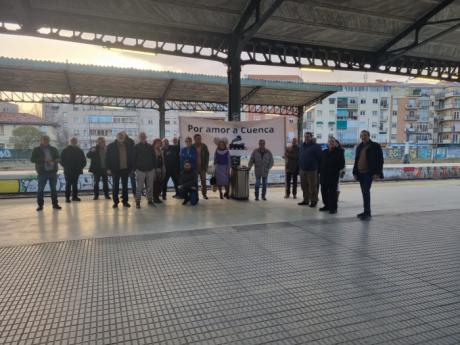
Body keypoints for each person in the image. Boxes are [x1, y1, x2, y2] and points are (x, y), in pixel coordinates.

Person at [353, 130, 384, 221]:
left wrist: (377, 173)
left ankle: (367, 213)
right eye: (362, 136)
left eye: (365, 135)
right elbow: (356, 160)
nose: (363, 137)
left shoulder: (375, 146)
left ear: (369, 136)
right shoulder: (359, 146)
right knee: (364, 192)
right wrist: (355, 172)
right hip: (360, 173)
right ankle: (365, 211)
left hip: (368, 173)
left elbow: (380, 160)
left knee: (366, 192)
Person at [31, 135, 61, 211]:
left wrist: (54, 161)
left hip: (53, 172)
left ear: (49, 141)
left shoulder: (53, 149)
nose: (46, 141)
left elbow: (58, 158)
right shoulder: (36, 149)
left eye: (47, 140)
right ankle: (40, 205)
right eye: (44, 140)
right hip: (42, 173)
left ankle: (55, 204)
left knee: (53, 189)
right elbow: (32, 159)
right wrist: (44, 159)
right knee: (40, 190)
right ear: (41, 140)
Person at [106, 132, 133, 208]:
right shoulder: (111, 146)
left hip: (125, 169)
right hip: (115, 169)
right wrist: (108, 169)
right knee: (115, 186)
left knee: (125, 186)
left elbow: (131, 157)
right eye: (119, 136)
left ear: (124, 137)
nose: (121, 137)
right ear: (116, 137)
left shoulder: (128, 145)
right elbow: (107, 158)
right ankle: (116, 202)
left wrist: (131, 168)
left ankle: (125, 202)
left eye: (122, 136)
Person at [319, 137, 345, 214]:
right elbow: (320, 163)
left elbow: (342, 164)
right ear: (327, 143)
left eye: (332, 142)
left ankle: (333, 208)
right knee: (323, 191)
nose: (331, 143)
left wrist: (335, 169)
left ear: (335, 143)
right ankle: (326, 205)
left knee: (332, 192)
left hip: (333, 175)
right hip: (323, 175)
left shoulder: (339, 151)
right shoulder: (324, 152)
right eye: (330, 141)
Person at [298, 132, 322, 207]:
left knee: (312, 187)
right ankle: (306, 200)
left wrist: (319, 169)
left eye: (308, 137)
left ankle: (313, 201)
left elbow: (320, 159)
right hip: (303, 169)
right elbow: (300, 156)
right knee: (304, 186)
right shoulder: (302, 146)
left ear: (311, 137)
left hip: (312, 170)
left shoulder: (316, 146)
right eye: (305, 137)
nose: (306, 138)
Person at [60, 137, 87, 203]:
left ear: (76, 142)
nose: (74, 142)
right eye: (72, 141)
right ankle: (67, 198)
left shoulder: (79, 150)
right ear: (70, 141)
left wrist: (80, 167)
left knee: (75, 184)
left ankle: (75, 197)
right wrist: (66, 166)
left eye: (75, 141)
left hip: (76, 170)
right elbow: (61, 160)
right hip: (68, 170)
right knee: (68, 184)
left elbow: (84, 160)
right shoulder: (65, 150)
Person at [133, 132, 155, 208]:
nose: (143, 137)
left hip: (150, 169)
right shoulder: (136, 147)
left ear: (146, 137)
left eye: (144, 136)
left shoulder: (150, 146)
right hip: (140, 170)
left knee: (150, 186)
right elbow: (134, 159)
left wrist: (153, 167)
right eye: (141, 136)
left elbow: (153, 157)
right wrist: (135, 169)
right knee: (139, 187)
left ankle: (150, 200)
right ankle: (138, 202)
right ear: (139, 137)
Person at [192, 134, 210, 200]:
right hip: (195, 168)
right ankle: (195, 195)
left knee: (203, 182)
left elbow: (207, 156)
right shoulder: (192, 146)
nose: (199, 139)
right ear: (194, 139)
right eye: (197, 138)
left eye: (200, 138)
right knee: (195, 182)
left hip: (202, 167)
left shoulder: (204, 146)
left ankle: (204, 194)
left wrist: (206, 166)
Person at [123, 132, 136, 198]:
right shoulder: (132, 142)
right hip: (130, 165)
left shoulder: (122, 143)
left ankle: (124, 194)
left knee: (124, 180)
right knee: (132, 180)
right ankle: (134, 193)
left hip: (125, 165)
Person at [152, 138, 166, 203]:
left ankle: (157, 197)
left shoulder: (161, 150)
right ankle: (155, 198)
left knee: (159, 184)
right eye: (158, 143)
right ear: (154, 143)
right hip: (153, 170)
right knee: (154, 185)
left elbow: (162, 161)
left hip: (160, 170)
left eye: (160, 143)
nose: (159, 144)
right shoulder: (151, 150)